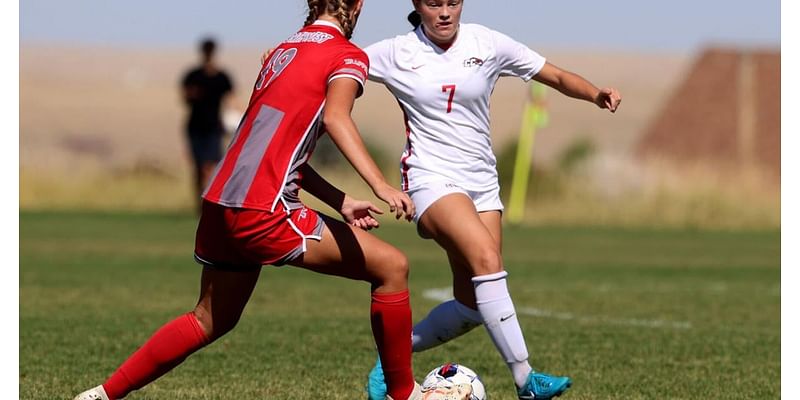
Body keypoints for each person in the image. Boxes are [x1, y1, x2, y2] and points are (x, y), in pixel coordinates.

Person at [72, 1, 426, 399]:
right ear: (357, 5)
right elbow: (336, 119)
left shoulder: (281, 52)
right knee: (392, 267)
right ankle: (404, 394)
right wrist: (381, 184)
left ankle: (101, 395)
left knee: (209, 319)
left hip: (222, 202)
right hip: (264, 209)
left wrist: (341, 199)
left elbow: (268, 148)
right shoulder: (346, 55)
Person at [363, 1, 623, 400]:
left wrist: (594, 93)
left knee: (471, 304)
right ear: (417, 5)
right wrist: (283, 57)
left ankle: (392, 361)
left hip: (482, 183)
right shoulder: (395, 52)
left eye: (453, 2)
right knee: (487, 259)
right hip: (430, 179)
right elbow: (333, 65)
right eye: (434, 4)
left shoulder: (487, 42)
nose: (445, 12)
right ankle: (526, 380)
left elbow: (551, 73)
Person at [181, 37, 234, 213]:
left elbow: (231, 100)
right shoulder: (193, 76)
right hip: (196, 127)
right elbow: (185, 98)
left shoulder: (221, 77)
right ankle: (200, 206)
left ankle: (208, 205)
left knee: (210, 168)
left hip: (214, 128)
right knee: (198, 168)